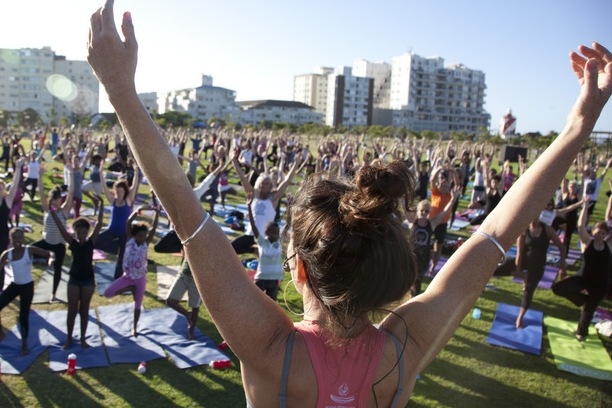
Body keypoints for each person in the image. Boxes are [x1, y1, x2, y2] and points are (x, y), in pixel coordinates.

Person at [86, 7, 611, 403]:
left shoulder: (272, 351)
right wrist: (578, 126)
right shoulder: (406, 350)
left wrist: (119, 90)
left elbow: (187, 214)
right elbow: (495, 234)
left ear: (299, 273)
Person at [552, 200, 612, 341]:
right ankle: (584, 301)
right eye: (597, 233)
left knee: (588, 311)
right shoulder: (588, 242)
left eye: (603, 233)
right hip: (583, 279)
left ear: (606, 235)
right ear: (593, 232)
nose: (599, 236)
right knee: (558, 288)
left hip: (600, 285)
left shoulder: (609, 245)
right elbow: (580, 226)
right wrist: (584, 207)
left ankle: (581, 333)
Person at [50, 196, 105, 349]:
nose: (80, 236)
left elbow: (99, 224)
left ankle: (82, 339)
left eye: (83, 233)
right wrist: (52, 212)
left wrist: (101, 205)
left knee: (84, 310)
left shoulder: (91, 242)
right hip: (74, 280)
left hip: (88, 280)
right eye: (78, 233)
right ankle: (69, 339)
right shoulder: (72, 243)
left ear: (87, 232)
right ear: (74, 233)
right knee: (72, 310)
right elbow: (61, 228)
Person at [104, 205, 159, 336]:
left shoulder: (146, 243)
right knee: (108, 293)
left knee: (138, 305)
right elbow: (128, 222)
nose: (142, 238)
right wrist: (139, 210)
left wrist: (157, 213)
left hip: (140, 279)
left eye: (144, 236)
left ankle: (134, 327)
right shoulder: (130, 240)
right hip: (127, 277)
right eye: (140, 235)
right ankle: (129, 289)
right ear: (135, 235)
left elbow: (154, 228)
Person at [0, 228, 54, 355]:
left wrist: (50, 260)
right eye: (15, 238)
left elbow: (49, 253)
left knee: (23, 316)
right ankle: (1, 331)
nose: (17, 241)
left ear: (23, 239)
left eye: (20, 238)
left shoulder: (30, 250)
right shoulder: (7, 254)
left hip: (27, 287)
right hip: (15, 285)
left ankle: (24, 344)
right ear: (10, 240)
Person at [514, 215, 566, 329]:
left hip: (538, 266)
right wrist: (518, 271)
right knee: (500, 266)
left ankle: (520, 318)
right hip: (525, 263)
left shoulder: (548, 230)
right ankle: (525, 280)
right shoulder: (524, 230)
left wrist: (562, 265)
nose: (535, 219)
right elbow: (519, 252)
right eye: (532, 216)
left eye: (537, 216)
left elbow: (562, 247)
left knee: (529, 291)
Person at [407, 187, 460, 296]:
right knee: (407, 279)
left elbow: (445, 212)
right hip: (410, 257)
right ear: (417, 211)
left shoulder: (431, 223)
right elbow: (404, 206)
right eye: (421, 210)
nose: (423, 213)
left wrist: (452, 199)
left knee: (417, 282)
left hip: (423, 258)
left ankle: (414, 298)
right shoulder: (412, 221)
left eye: (426, 211)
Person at [33, 164, 74, 303]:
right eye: (57, 199)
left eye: (60, 199)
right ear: (52, 200)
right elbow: (42, 192)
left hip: (59, 246)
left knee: (58, 270)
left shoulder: (63, 211)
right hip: (46, 242)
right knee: (27, 250)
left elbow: (71, 193)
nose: (60, 201)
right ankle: (46, 257)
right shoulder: (47, 209)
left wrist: (73, 175)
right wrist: (39, 175)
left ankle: (54, 294)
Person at [96, 164, 139, 279]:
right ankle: (116, 248)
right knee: (95, 241)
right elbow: (104, 187)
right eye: (117, 191)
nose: (119, 194)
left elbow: (134, 186)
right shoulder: (112, 200)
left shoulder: (128, 200)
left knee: (121, 258)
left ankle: (117, 279)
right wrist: (101, 173)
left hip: (124, 233)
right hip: (112, 230)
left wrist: (136, 171)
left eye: (121, 191)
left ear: (124, 192)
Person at [247, 193, 283, 301]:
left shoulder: (279, 241)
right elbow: (253, 226)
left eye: (277, 232)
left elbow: (289, 224)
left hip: (274, 279)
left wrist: (290, 208)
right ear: (267, 233)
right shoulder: (262, 241)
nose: (276, 235)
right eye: (273, 232)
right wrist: (249, 207)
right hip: (261, 277)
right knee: (255, 301)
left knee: (272, 304)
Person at [0, 157, 25, 291]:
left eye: (1, 189)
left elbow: (15, 185)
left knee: (1, 263)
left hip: (3, 236)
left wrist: (19, 168)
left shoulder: (7, 201)